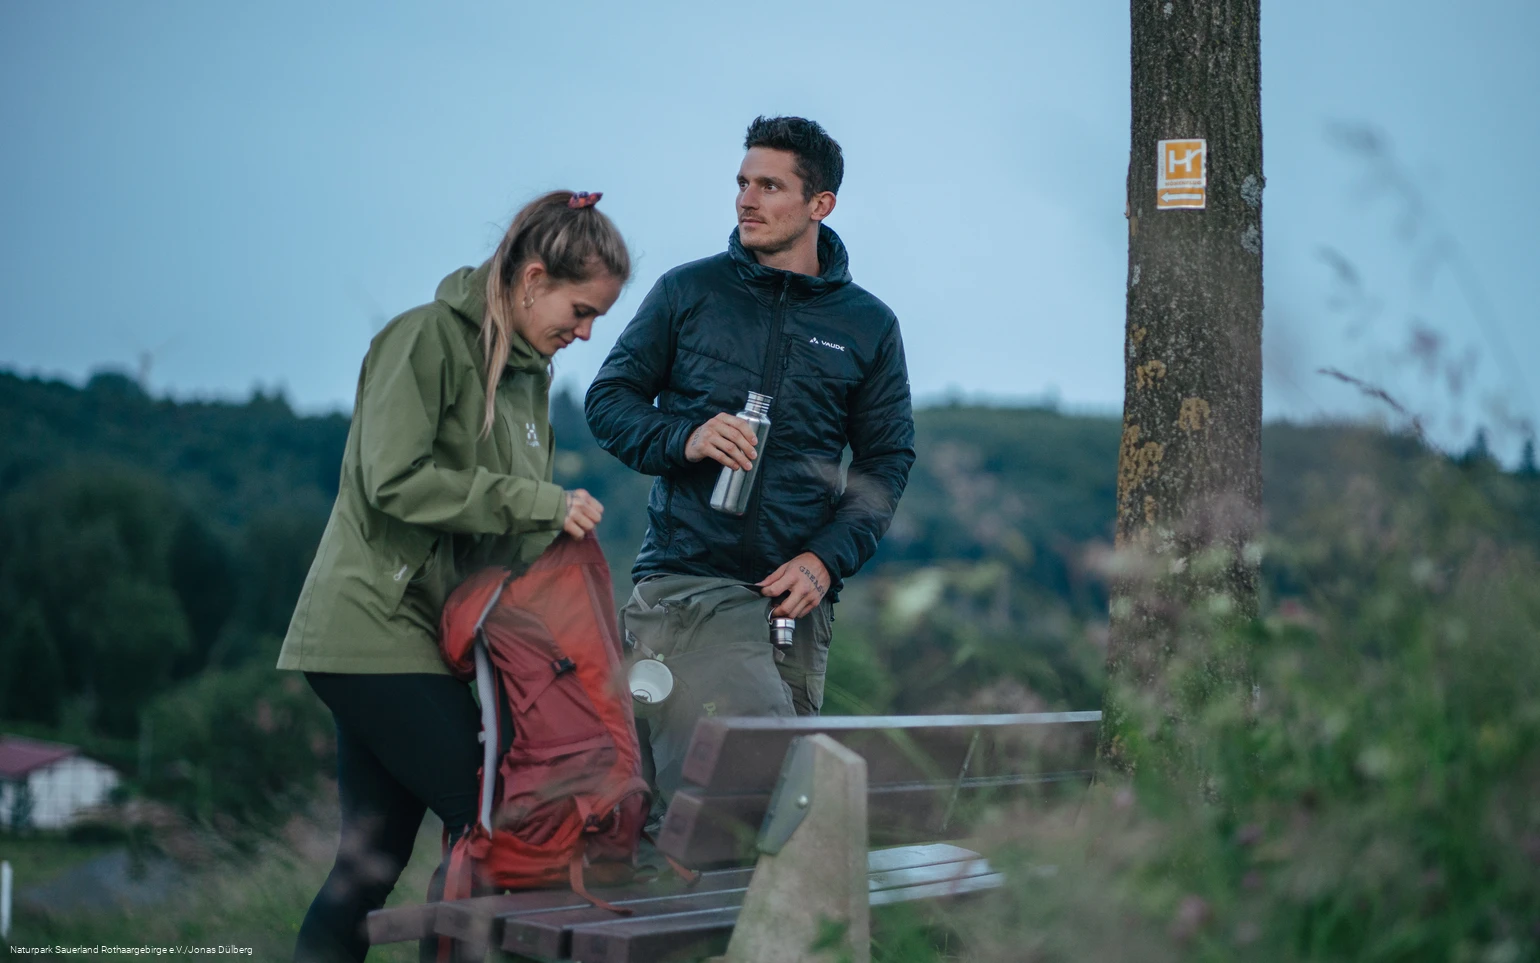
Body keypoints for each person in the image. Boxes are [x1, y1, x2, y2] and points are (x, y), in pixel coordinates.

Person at [276, 190, 628, 963]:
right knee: (499, 819)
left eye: (597, 316)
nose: (586, 331)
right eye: (580, 308)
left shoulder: (530, 380)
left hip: (431, 638)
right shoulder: (423, 339)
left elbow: (501, 533)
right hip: (369, 624)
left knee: (367, 864)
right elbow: (393, 479)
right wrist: (539, 501)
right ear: (533, 278)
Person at [585, 116, 915, 800]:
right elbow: (609, 401)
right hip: (689, 587)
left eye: (770, 185)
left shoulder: (868, 324)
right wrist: (688, 436)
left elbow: (884, 462)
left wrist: (826, 558)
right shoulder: (689, 292)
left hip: (798, 605)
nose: (747, 199)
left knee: (761, 816)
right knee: (737, 802)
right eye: (742, 182)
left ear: (819, 205)